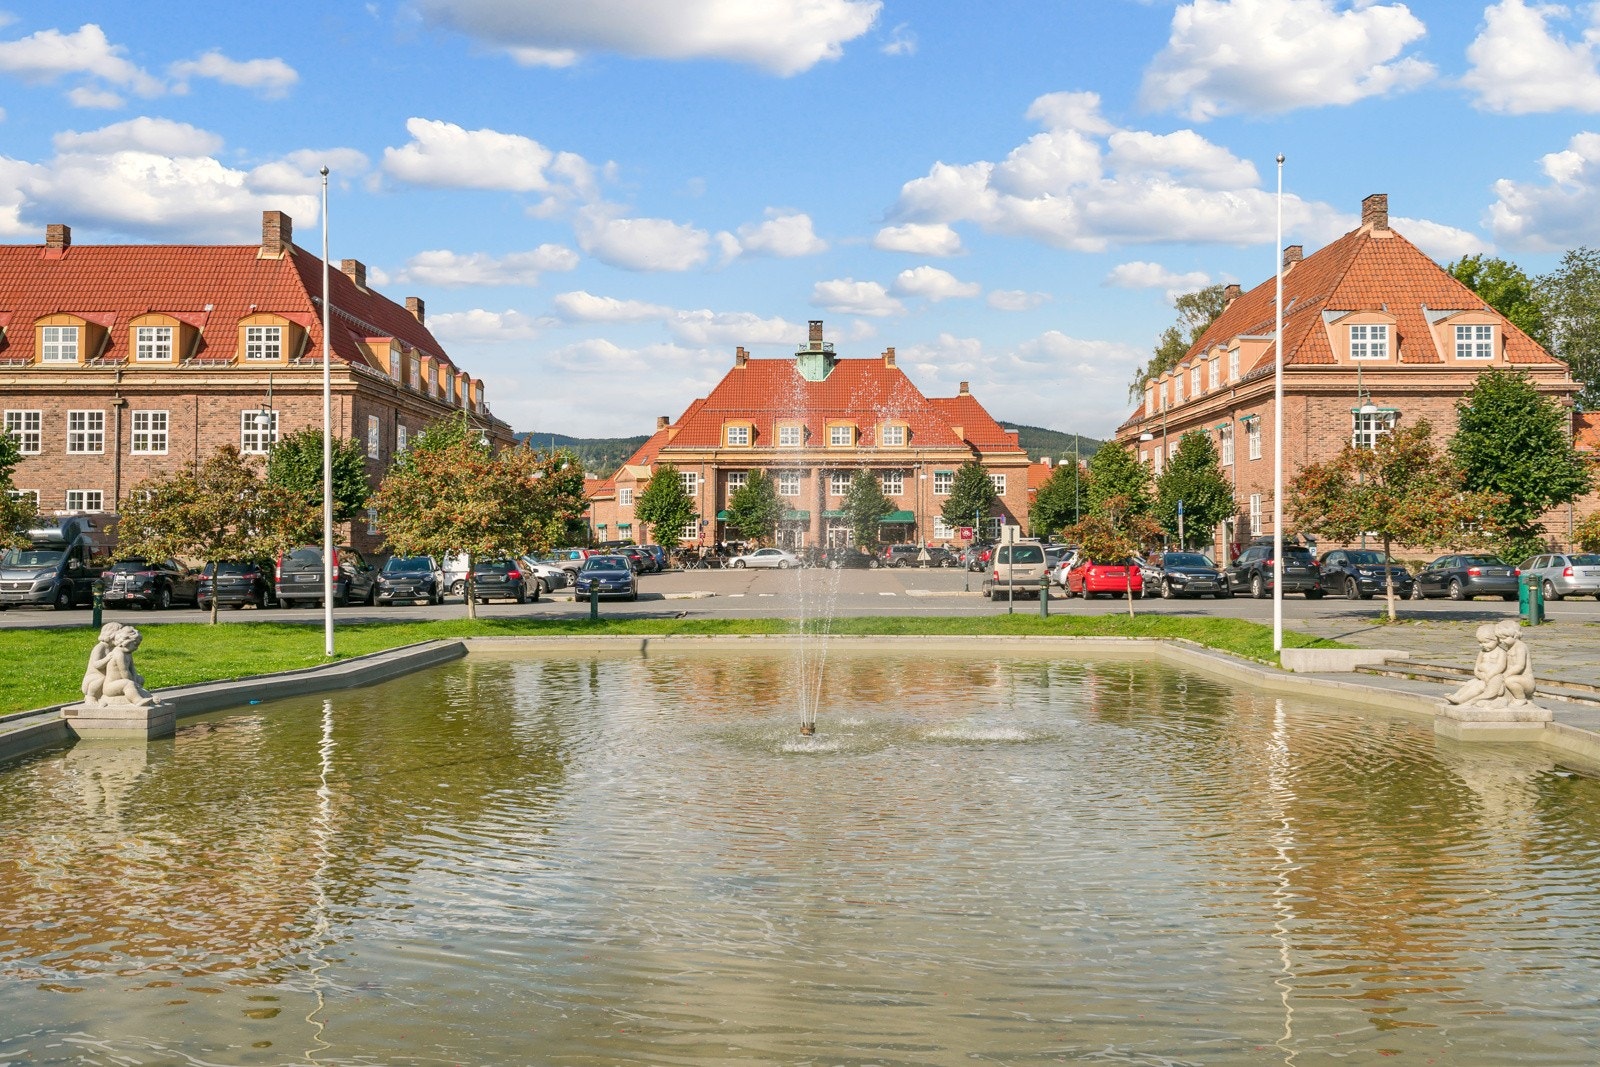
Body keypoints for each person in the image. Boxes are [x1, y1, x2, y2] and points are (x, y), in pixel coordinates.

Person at [1445, 623, 1507, 706]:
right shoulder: (1482, 652)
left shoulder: (1501, 652)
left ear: (1497, 640)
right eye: (1480, 642)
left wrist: (1488, 676)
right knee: (1471, 683)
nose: (1483, 645)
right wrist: (1479, 675)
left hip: (1492, 680)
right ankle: (1456, 696)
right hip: (1482, 677)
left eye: (1486, 642)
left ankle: (1461, 700)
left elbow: (1501, 666)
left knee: (1479, 686)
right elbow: (1477, 667)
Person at [1497, 619, 1537, 704]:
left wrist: (1505, 675)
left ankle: (1521, 698)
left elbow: (1519, 666)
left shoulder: (1520, 647)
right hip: (1516, 678)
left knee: (1509, 681)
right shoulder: (1510, 647)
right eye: (1499, 638)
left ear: (1515, 635)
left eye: (1503, 638)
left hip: (1526, 682)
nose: (1501, 641)